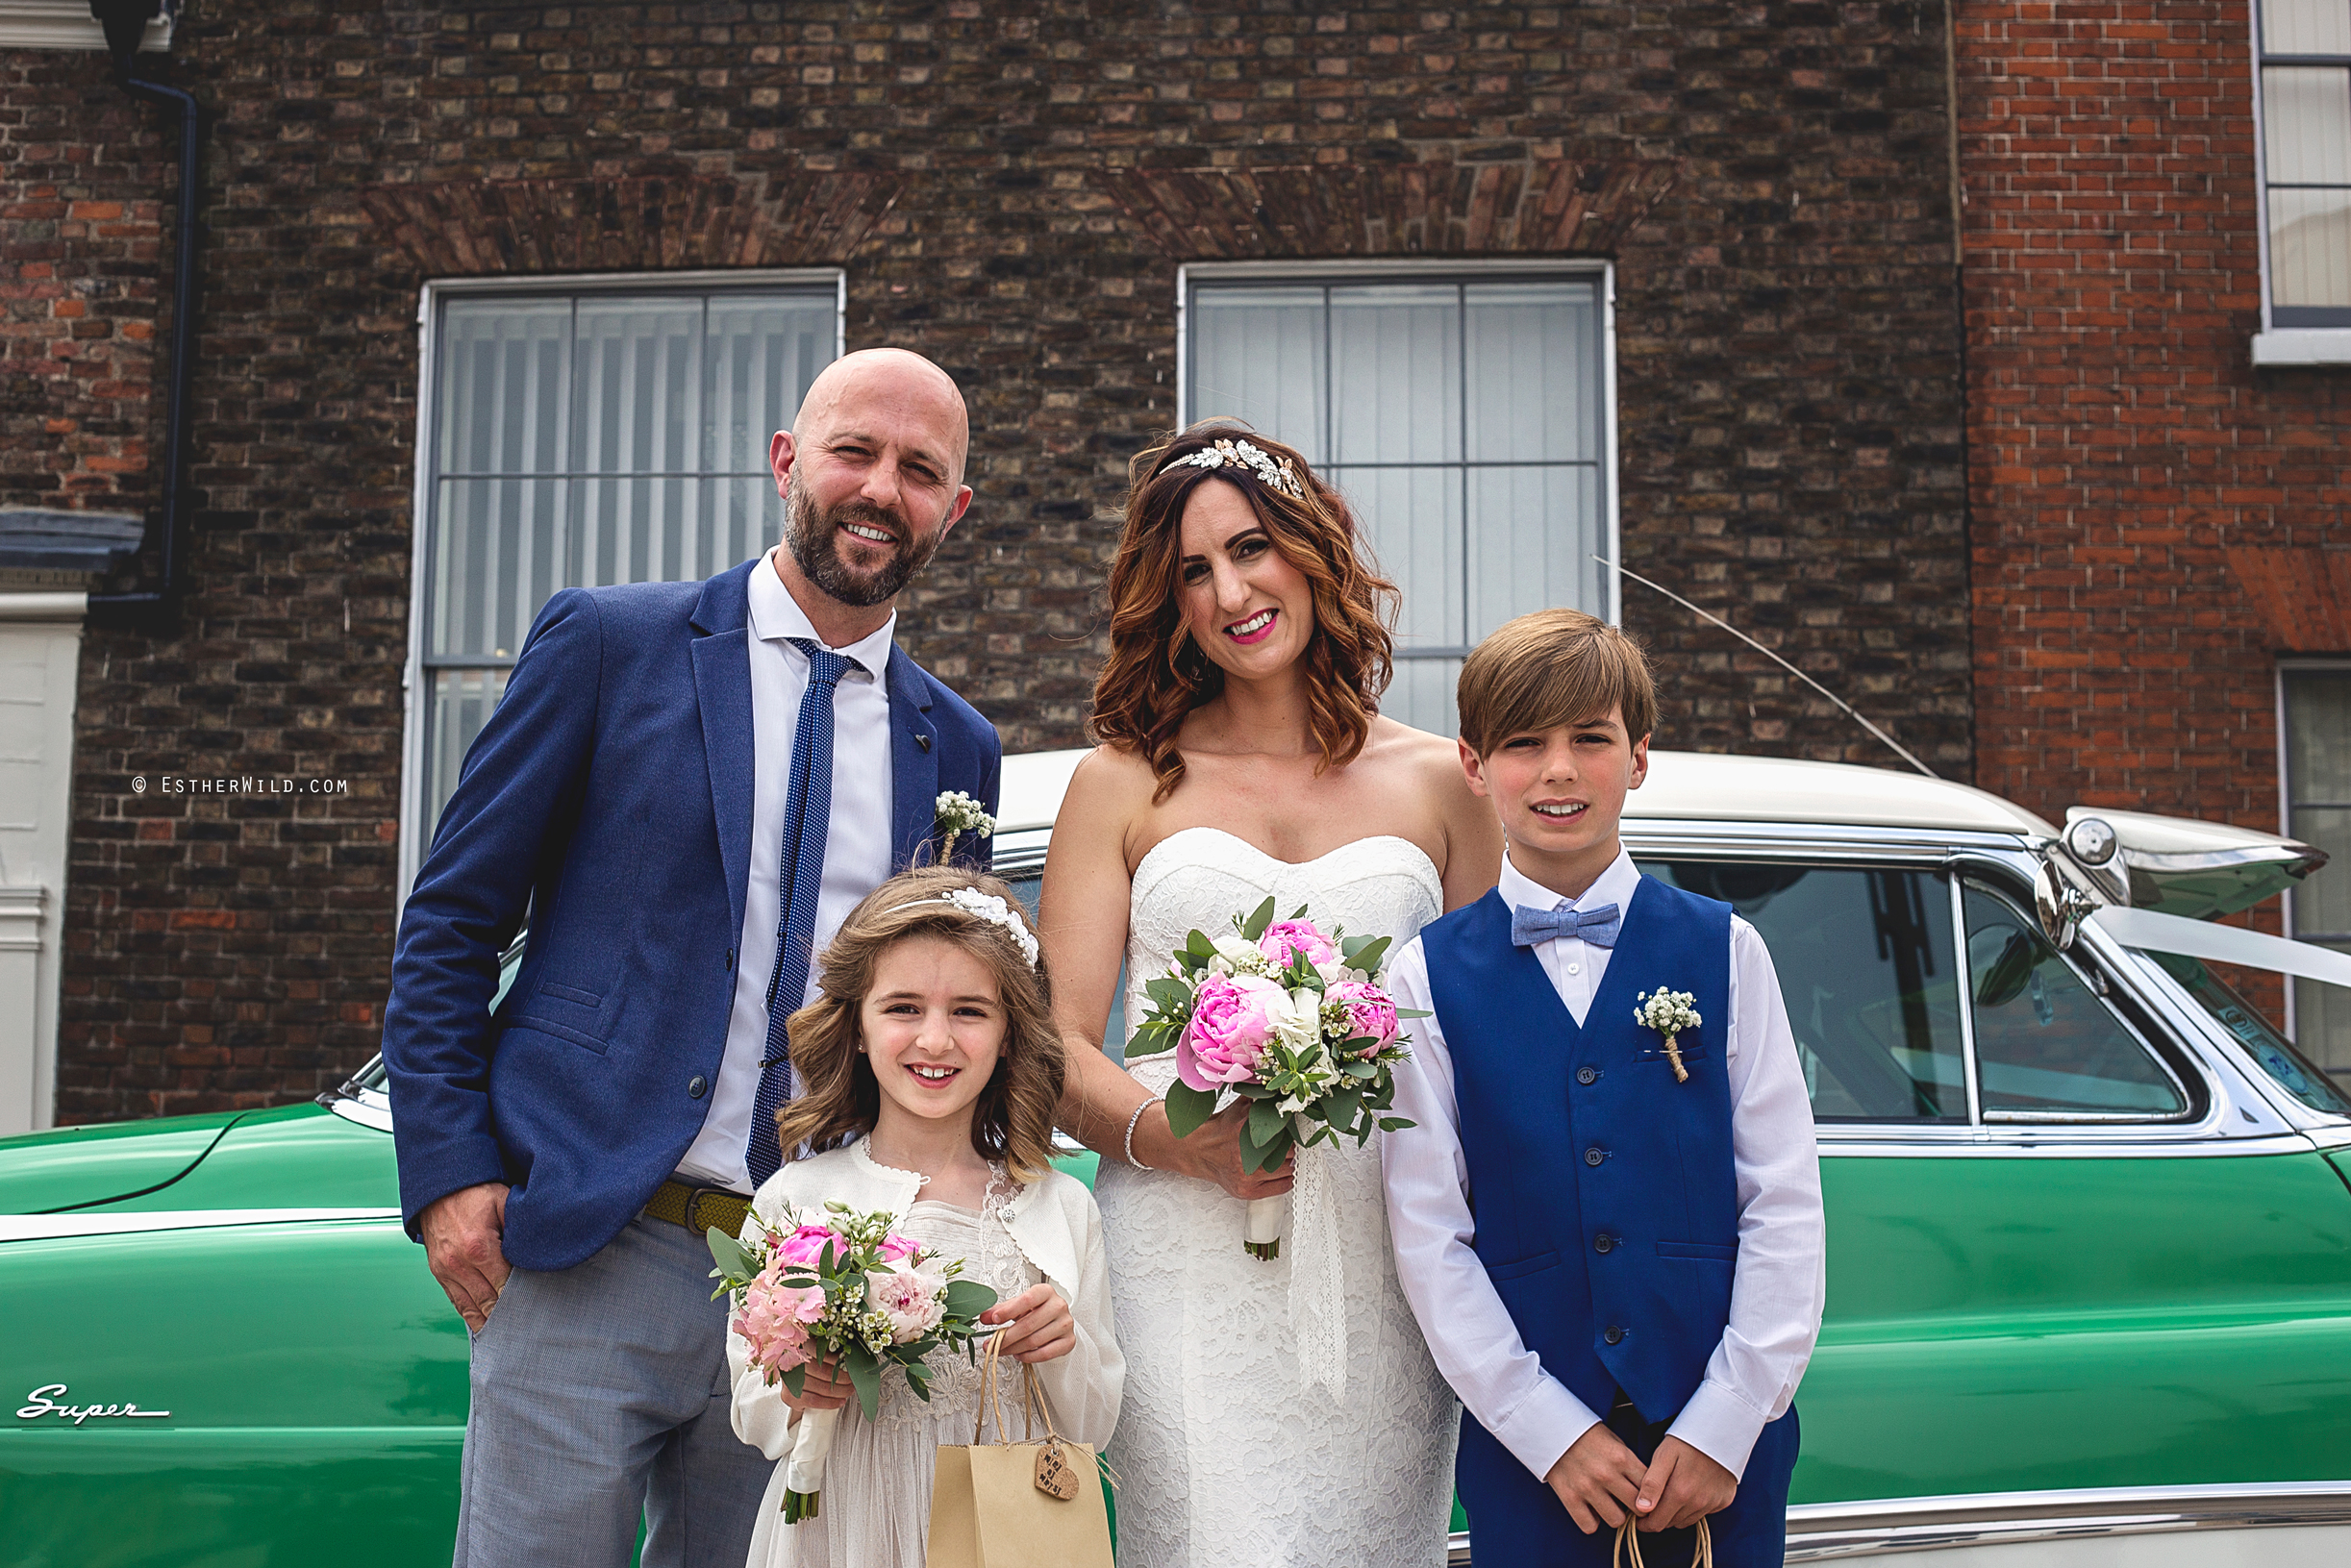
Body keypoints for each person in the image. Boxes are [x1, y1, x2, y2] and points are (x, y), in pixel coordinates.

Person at [382, 347, 1002, 1568]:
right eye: (854, 452)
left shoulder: (958, 745)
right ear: (788, 462)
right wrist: (449, 1170)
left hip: (813, 1270)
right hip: (586, 1239)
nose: (881, 487)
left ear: (953, 510)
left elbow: (945, 1015)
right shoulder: (610, 643)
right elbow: (452, 921)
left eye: (920, 470)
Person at [1038, 424, 1504, 1565]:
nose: (1231, 591)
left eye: (1252, 549)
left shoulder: (1446, 782)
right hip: (1181, 1258)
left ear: (1312, 550)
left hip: (1386, 1262)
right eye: (1193, 571)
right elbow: (1054, 1049)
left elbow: (1491, 1043)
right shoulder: (1118, 782)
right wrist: (1181, 1139)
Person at [1380, 609, 1826, 1567]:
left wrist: (1728, 1417)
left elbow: (1784, 1201)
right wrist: (1546, 1428)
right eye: (1524, 743)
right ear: (1471, 762)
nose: (1559, 769)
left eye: (1591, 737)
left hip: (1722, 1452)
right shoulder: (1423, 976)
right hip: (1535, 1459)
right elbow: (1429, 1232)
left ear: (1639, 757)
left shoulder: (1727, 949)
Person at [728, 866, 1123, 1568]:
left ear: (1008, 1035)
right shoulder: (795, 1198)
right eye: (903, 1007)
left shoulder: (1059, 1205)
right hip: (843, 1526)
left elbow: (1094, 1422)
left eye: (969, 1011)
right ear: (855, 1026)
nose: (935, 1040)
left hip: (1003, 1534)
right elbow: (751, 1412)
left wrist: (1062, 1346)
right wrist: (798, 1384)